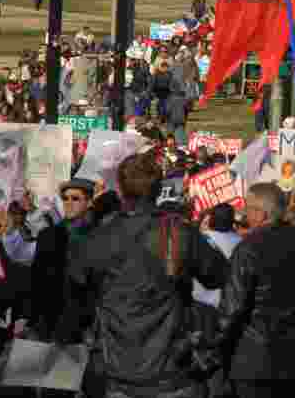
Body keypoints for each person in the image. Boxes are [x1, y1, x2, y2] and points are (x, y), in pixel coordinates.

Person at [58, 153, 229, 398]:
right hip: (169, 373)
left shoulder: (99, 237)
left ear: (121, 188)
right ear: (159, 188)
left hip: (123, 370)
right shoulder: (179, 231)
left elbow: (75, 294)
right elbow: (218, 276)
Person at [210, 182, 295, 398]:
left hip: (253, 358)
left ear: (260, 213)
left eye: (247, 208)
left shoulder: (249, 248)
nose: (245, 213)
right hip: (291, 354)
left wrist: (214, 344)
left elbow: (233, 307)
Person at [30, 177, 96, 340]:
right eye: (65, 198)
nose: (68, 202)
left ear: (88, 203)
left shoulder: (99, 235)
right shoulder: (48, 236)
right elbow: (37, 280)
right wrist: (31, 321)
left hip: (86, 326)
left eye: (75, 198)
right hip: (50, 324)